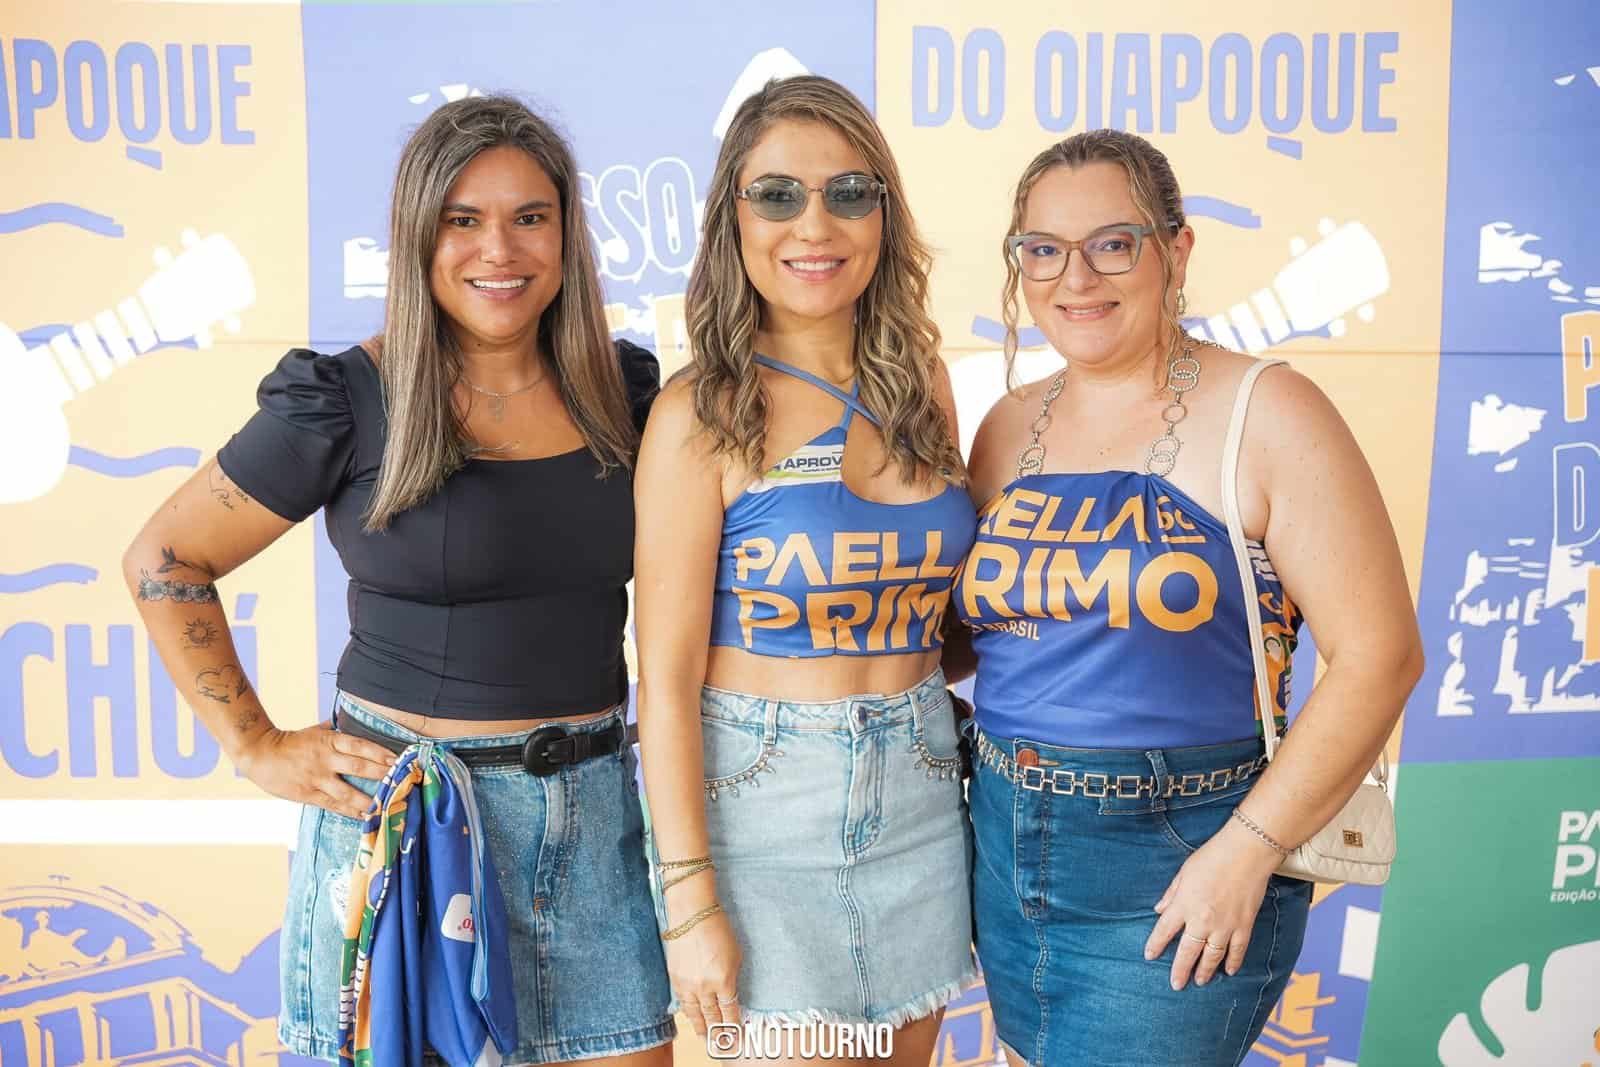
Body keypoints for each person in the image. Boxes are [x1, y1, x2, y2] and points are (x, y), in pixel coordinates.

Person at [124, 95, 674, 1067]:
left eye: (530, 216)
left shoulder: (624, 390)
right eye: (463, 219)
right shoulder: (347, 398)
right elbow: (164, 558)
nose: (499, 249)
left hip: (591, 821)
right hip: (412, 822)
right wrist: (253, 745)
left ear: (567, 232)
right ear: (419, 234)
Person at [949, 129, 1424, 1066]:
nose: (1075, 277)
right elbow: (990, 633)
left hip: (1183, 857)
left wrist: (1247, 848)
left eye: (1112, 244)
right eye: (1043, 249)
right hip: (1005, 847)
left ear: (1177, 248)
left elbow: (1381, 656)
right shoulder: (1007, 424)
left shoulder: (1269, 410)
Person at [632, 76, 977, 1066]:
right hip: (761, 811)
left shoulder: (921, 384)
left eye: (848, 193)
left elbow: (944, 619)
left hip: (920, 790)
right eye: (778, 194)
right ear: (733, 218)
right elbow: (664, 681)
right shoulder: (700, 412)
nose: (813, 224)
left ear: (884, 214)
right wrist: (689, 895)